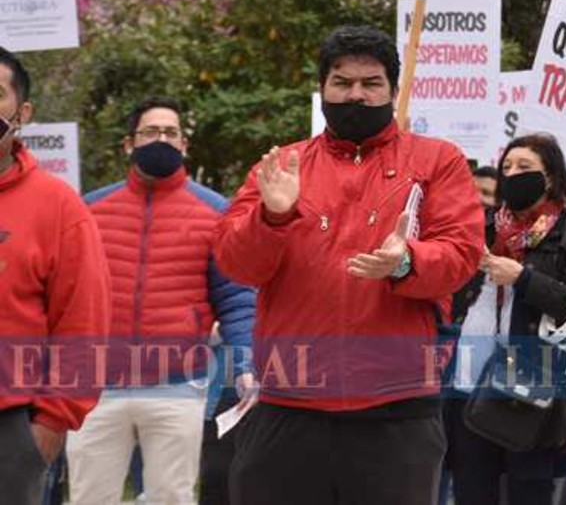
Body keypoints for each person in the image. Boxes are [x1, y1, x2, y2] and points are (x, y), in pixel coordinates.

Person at [214, 25, 485, 505]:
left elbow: (461, 255)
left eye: (370, 83)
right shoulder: (282, 166)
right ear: (322, 89)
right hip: (287, 404)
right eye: (342, 83)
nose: (356, 95)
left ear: (392, 90)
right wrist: (272, 216)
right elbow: (236, 263)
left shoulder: (438, 160)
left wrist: (406, 262)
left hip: (396, 409)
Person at [70, 97, 257, 505]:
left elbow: (238, 299)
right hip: (97, 386)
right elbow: (66, 294)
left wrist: (246, 365)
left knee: (171, 497)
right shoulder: (90, 210)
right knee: (89, 497)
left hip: (177, 386)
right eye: (151, 132)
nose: (162, 140)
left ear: (185, 145)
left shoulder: (215, 212)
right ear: (128, 144)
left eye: (171, 133)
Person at [447, 134, 566, 503]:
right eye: (506, 167)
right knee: (471, 492)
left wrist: (523, 278)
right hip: (469, 386)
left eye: (525, 167)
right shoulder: (479, 228)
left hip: (532, 392)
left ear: (549, 177)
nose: (512, 174)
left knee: (528, 493)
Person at [0, 47, 112, 504]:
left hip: (10, 429)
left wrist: (48, 425)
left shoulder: (58, 206)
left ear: (22, 112)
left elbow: (83, 324)